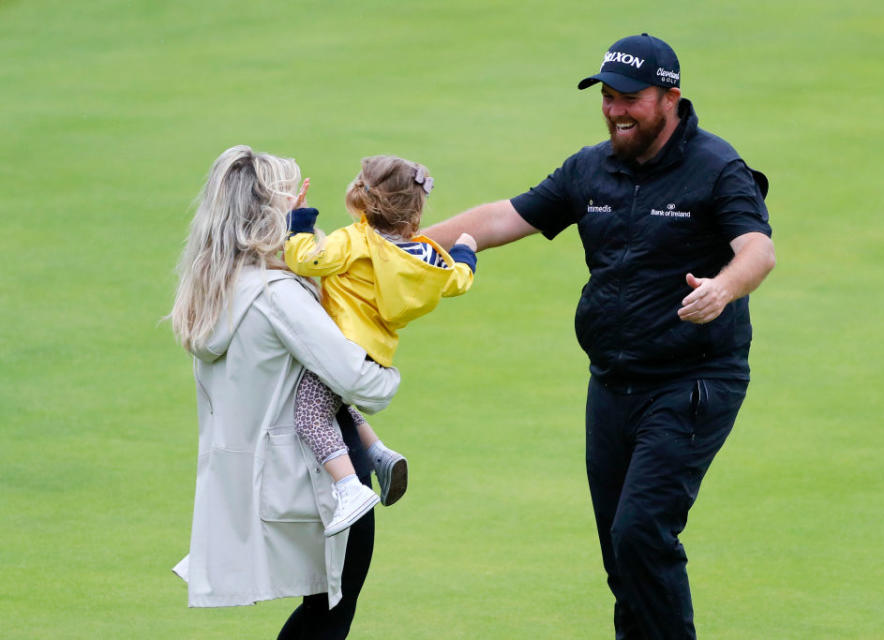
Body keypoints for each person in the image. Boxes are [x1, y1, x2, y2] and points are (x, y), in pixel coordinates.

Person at [424, 34, 776, 639]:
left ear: (671, 97)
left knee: (641, 530)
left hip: (691, 380)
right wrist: (390, 251)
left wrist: (723, 288)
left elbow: (758, 251)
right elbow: (501, 218)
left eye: (630, 100)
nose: (615, 110)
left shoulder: (717, 168)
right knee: (622, 551)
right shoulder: (592, 168)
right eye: (608, 97)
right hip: (612, 383)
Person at [169, 145, 400, 639]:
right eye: (291, 198)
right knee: (331, 613)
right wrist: (389, 371)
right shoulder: (279, 297)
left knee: (323, 610)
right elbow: (361, 382)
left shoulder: (215, 291)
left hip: (270, 486)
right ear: (271, 211)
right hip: (324, 482)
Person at [283, 155, 478, 537]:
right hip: (373, 356)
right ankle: (379, 453)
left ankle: (348, 487)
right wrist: (466, 250)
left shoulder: (351, 241)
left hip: (339, 348)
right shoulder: (424, 257)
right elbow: (458, 280)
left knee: (308, 415)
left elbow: (303, 260)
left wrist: (300, 220)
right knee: (335, 403)